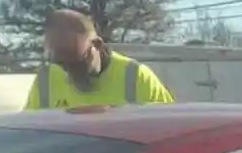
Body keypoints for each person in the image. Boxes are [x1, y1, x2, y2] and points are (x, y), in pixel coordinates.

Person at [24, 9, 175, 110]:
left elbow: (170, 131)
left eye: (76, 63)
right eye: (59, 63)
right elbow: (30, 134)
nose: (69, 72)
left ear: (97, 45)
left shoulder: (135, 77)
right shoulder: (46, 78)